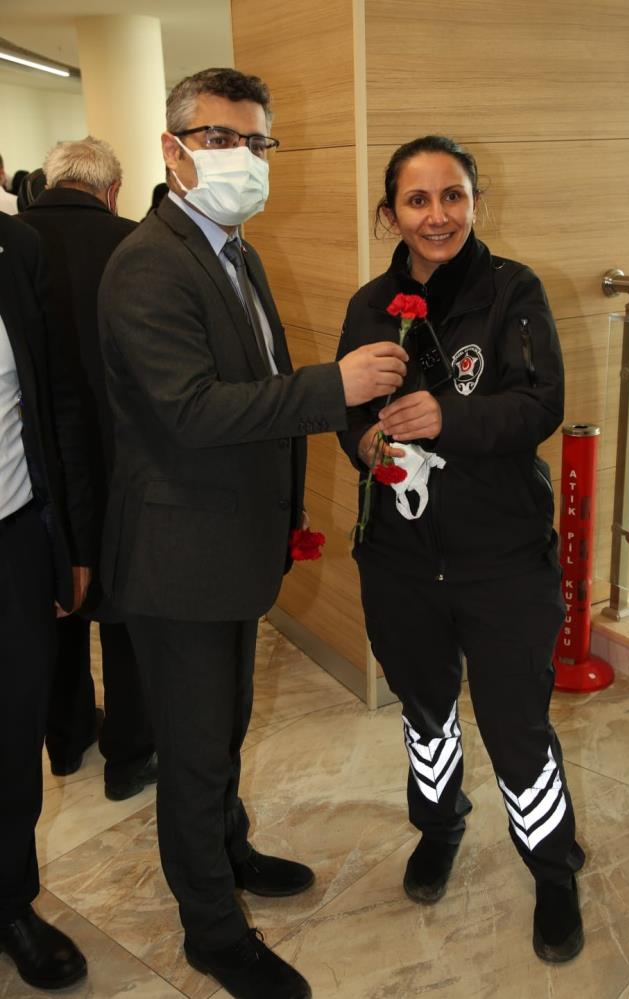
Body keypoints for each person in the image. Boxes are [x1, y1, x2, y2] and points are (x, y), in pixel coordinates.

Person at [98, 67, 407, 999]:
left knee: (224, 724)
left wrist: (287, 502)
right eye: (220, 138)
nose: (244, 157)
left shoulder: (235, 250)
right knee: (194, 748)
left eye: (255, 141)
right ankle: (212, 930)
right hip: (178, 558)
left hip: (232, 542)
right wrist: (334, 387)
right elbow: (191, 411)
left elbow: (255, 385)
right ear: (173, 150)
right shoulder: (149, 264)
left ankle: (229, 850)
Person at [336, 135, 585, 964]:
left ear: (476, 202)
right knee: (426, 711)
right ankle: (439, 825)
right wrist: (366, 445)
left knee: (516, 725)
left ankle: (552, 867)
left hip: (503, 557)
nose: (437, 215)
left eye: (453, 196)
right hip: (400, 558)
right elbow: (348, 415)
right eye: (417, 199)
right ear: (390, 214)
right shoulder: (369, 305)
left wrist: (451, 418)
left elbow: (540, 402)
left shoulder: (513, 289)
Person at [20, 136, 156, 800]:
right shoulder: (134, 245)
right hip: (123, 456)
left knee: (54, 598)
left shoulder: (14, 244)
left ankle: (68, 737)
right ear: (112, 190)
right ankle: (129, 755)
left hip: (36, 467)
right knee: (127, 605)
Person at [0, 212, 92, 989]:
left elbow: (57, 400)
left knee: (13, 730)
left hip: (14, 536)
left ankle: (9, 902)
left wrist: (72, 545)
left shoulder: (17, 246)